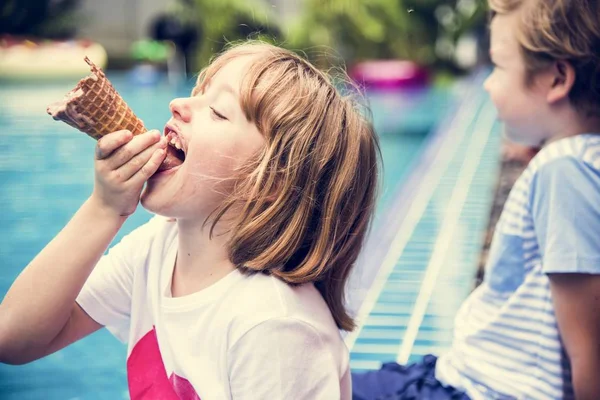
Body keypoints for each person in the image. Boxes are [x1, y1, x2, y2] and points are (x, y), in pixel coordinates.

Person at [0, 42, 381, 400]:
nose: (178, 103)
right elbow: (14, 338)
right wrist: (104, 208)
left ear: (269, 182)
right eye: (198, 91)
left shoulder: (275, 329)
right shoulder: (158, 248)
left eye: (217, 111)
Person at [352, 0, 600, 399]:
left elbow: (590, 352)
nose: (487, 83)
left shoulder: (566, 172)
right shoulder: (576, 163)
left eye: (500, 67)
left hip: (475, 390)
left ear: (557, 79)